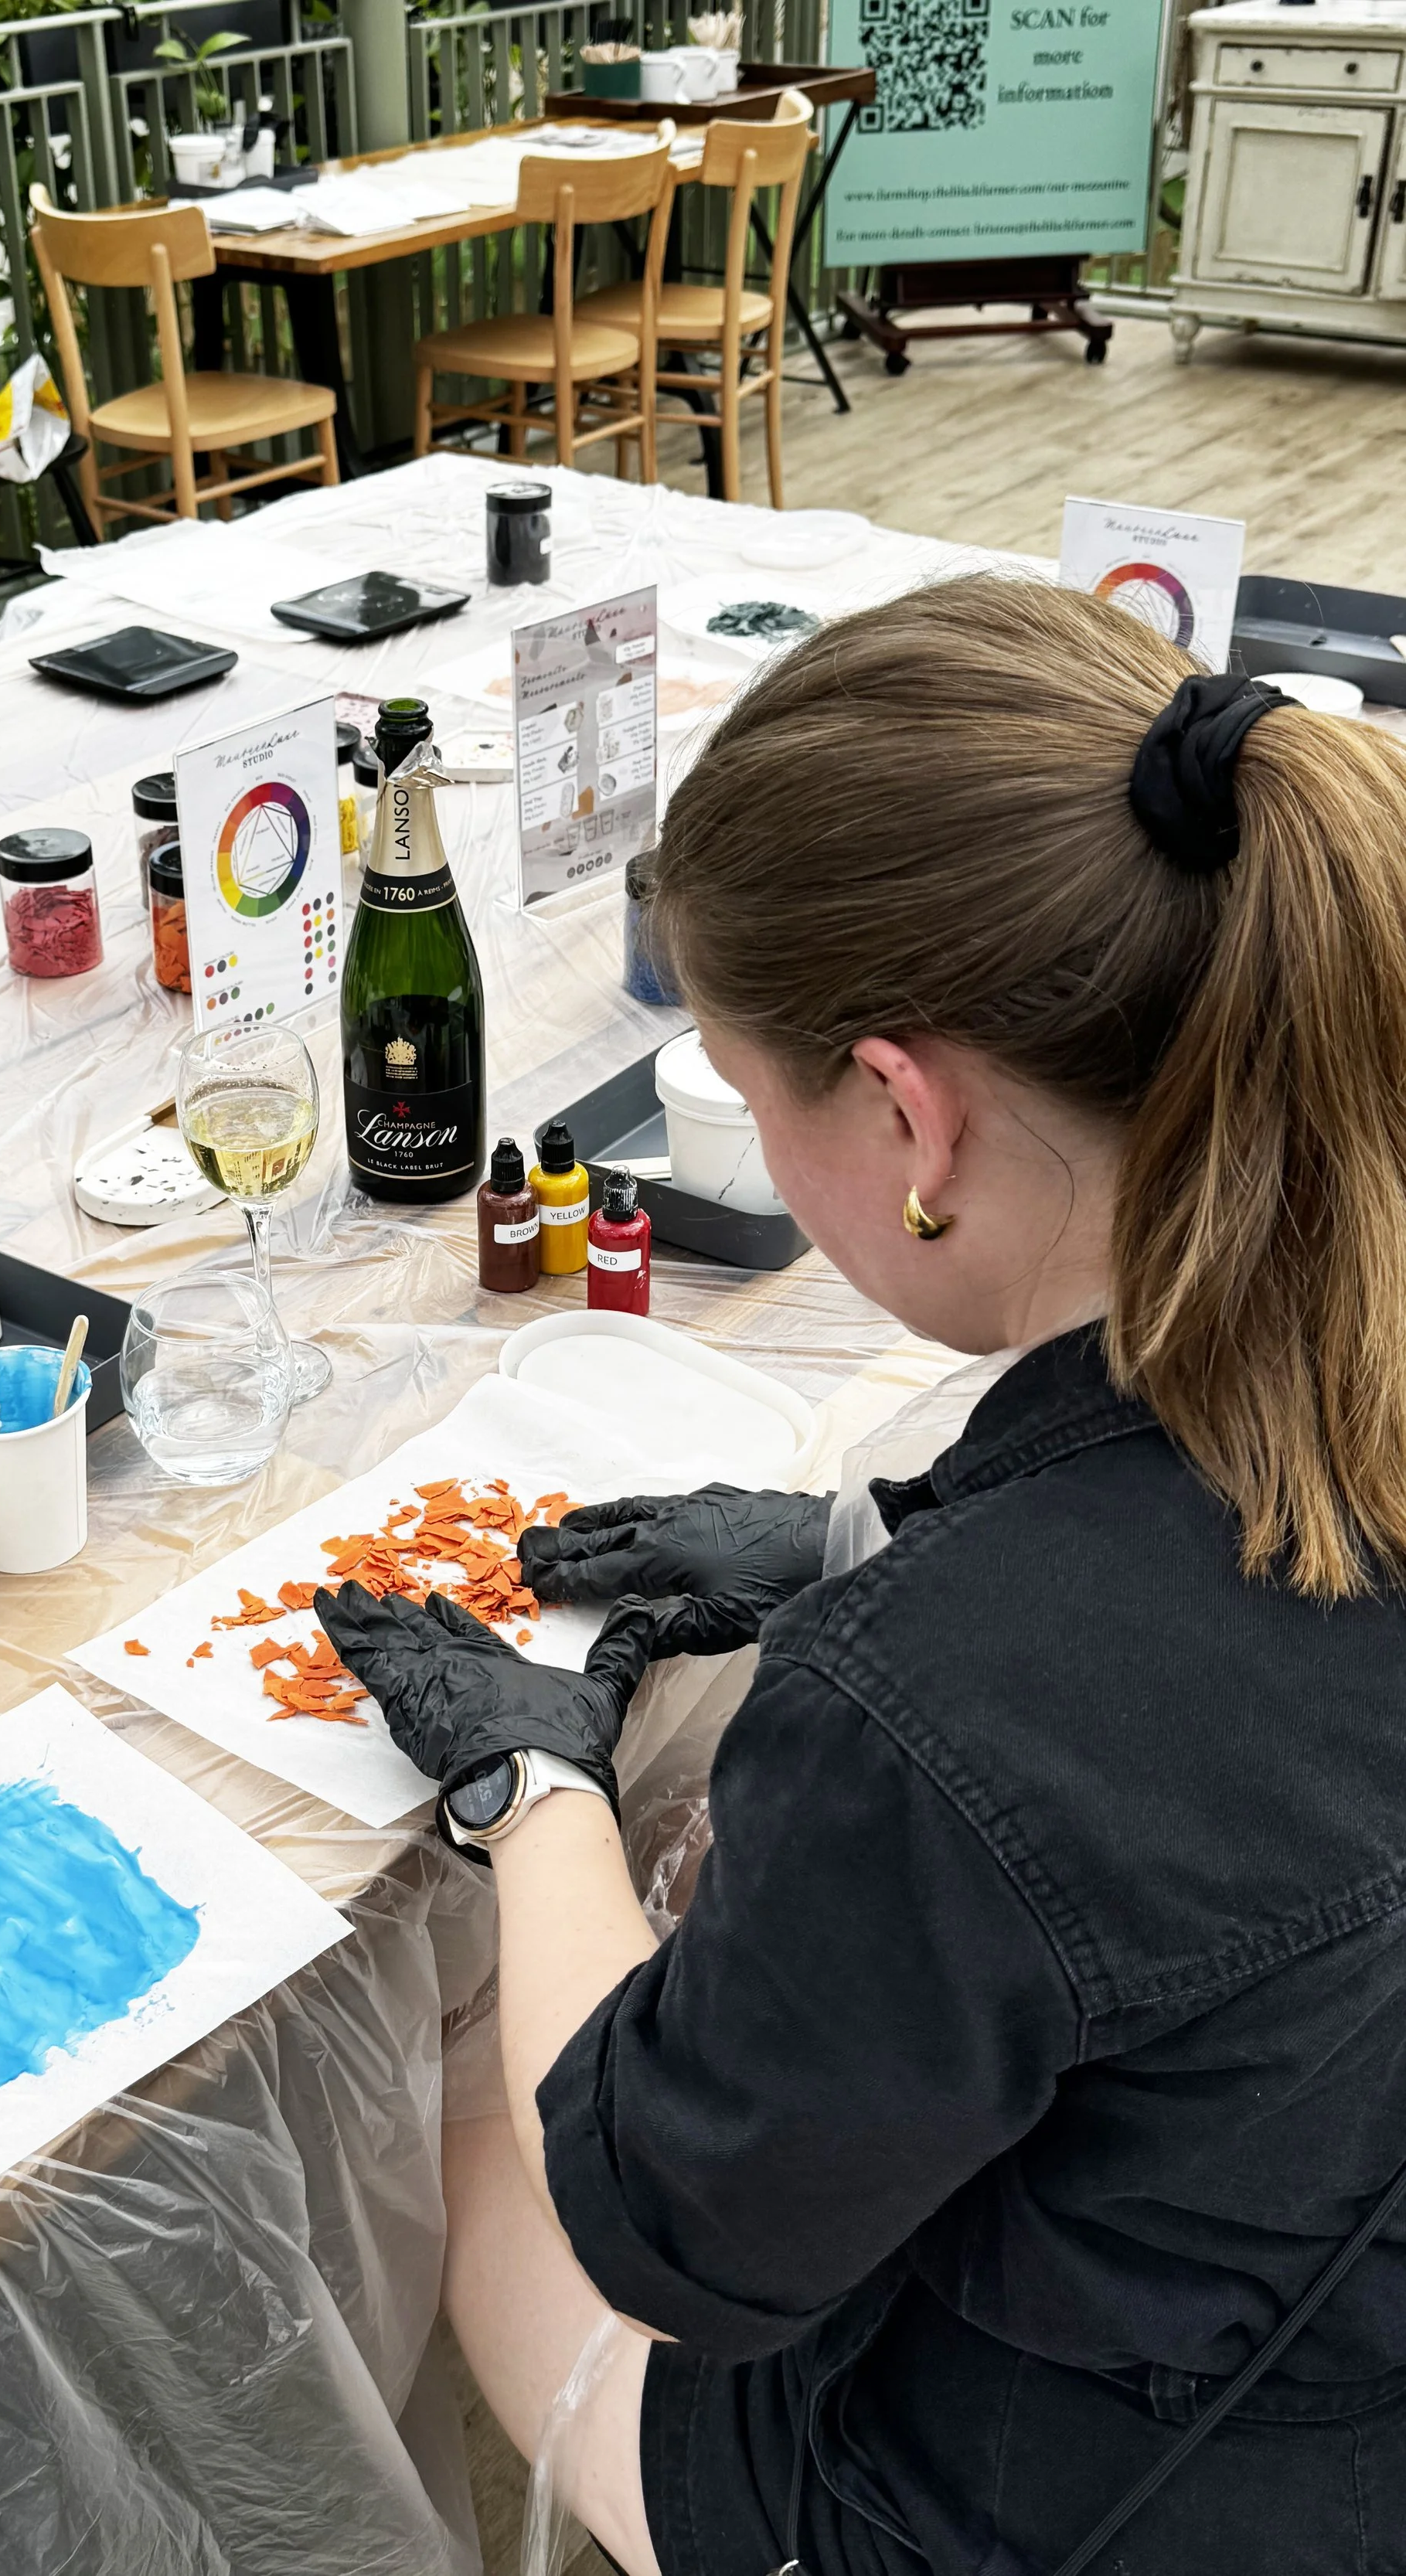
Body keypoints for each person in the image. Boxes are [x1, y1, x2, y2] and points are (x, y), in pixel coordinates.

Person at [317, 575, 1406, 2576]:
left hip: (1098, 2500)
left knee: (468, 2100)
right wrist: (858, 1537)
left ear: (905, 1111)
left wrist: (530, 1787)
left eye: (750, 1091)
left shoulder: (945, 1700)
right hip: (1325, 2283)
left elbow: (668, 2226)